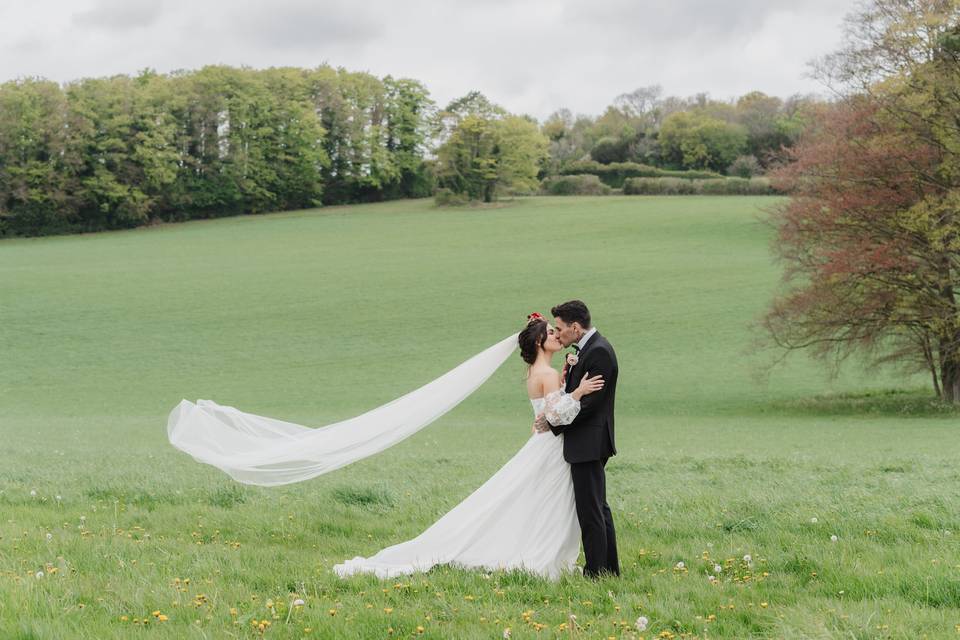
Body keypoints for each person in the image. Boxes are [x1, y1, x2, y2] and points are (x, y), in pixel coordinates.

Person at [333, 313, 604, 579]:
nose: (558, 336)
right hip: (551, 447)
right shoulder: (547, 372)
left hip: (541, 442)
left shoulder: (535, 372)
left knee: (531, 500)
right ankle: (541, 554)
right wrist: (578, 392)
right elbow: (556, 415)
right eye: (552, 332)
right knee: (546, 503)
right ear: (538, 342)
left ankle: (539, 550)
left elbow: (545, 413)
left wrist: (567, 375)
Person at [534, 300, 620, 578]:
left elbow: (590, 405)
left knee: (591, 509)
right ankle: (607, 568)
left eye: (560, 329)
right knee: (597, 506)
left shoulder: (600, 353)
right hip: (586, 442)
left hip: (589, 442)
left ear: (575, 326)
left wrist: (552, 421)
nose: (558, 335)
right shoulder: (587, 351)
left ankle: (596, 571)